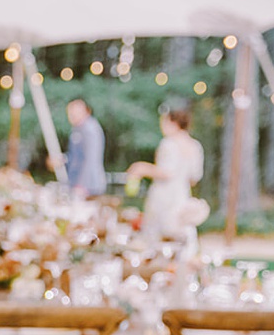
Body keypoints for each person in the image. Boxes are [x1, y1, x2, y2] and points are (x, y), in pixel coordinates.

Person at [125, 104, 206, 242]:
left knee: (157, 236)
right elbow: (194, 177)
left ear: (173, 122)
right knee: (180, 234)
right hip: (182, 195)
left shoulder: (169, 143)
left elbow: (167, 172)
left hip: (163, 196)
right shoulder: (195, 146)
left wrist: (141, 168)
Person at [58, 97, 107, 197]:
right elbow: (76, 156)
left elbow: (91, 157)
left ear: (86, 111)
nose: (72, 114)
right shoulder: (77, 129)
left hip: (89, 186)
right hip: (78, 183)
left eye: (76, 110)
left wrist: (81, 185)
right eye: (70, 111)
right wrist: (63, 159)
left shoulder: (90, 129)